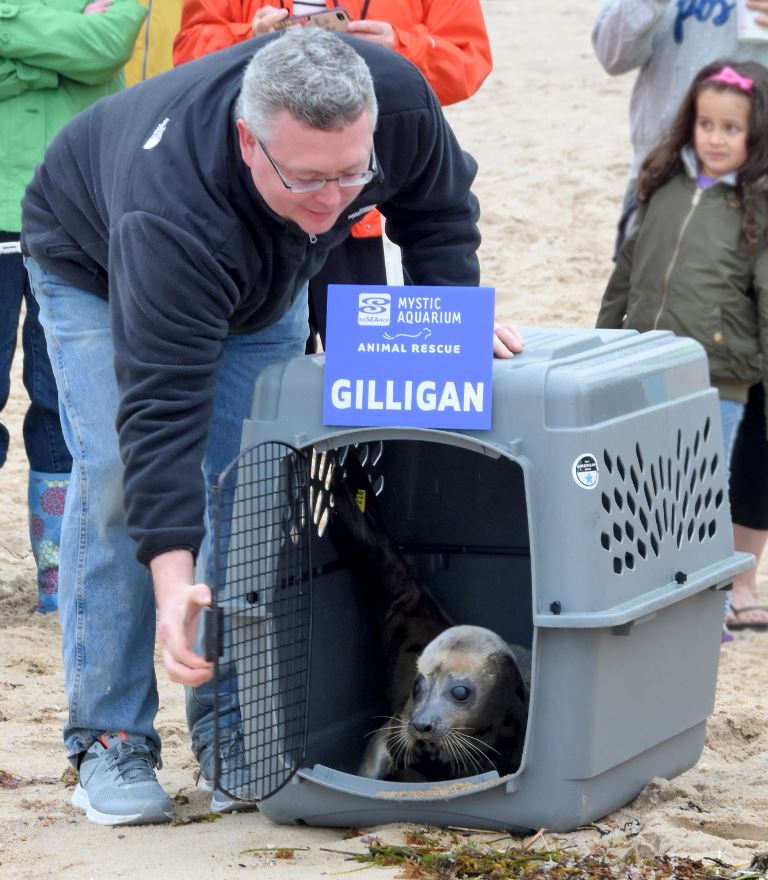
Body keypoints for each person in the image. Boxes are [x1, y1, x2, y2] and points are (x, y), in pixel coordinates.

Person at [21, 27, 522, 827]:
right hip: (98, 262)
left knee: (250, 483)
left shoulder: (393, 103)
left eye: (351, 176)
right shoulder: (171, 211)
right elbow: (161, 414)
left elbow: (439, 212)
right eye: (309, 177)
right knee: (119, 473)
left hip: (268, 272)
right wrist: (173, 579)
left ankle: (231, 729)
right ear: (250, 142)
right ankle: (110, 737)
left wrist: (453, 321)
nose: (333, 201)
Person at [592, 0, 768, 631]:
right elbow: (611, 51)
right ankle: (644, 573)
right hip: (669, 182)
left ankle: (735, 576)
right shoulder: (664, 183)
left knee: (754, 395)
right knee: (644, 403)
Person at [172, 0, 493, 351]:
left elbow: (469, 60)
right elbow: (189, 58)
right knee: (270, 375)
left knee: (367, 366)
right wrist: (251, 42)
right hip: (264, 208)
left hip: (365, 209)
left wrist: (400, 48)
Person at [0, 0, 146, 613]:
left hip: (77, 213)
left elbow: (106, 47)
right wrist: (61, 58)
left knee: (68, 399)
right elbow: (83, 52)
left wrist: (13, 43)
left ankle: (60, 579)